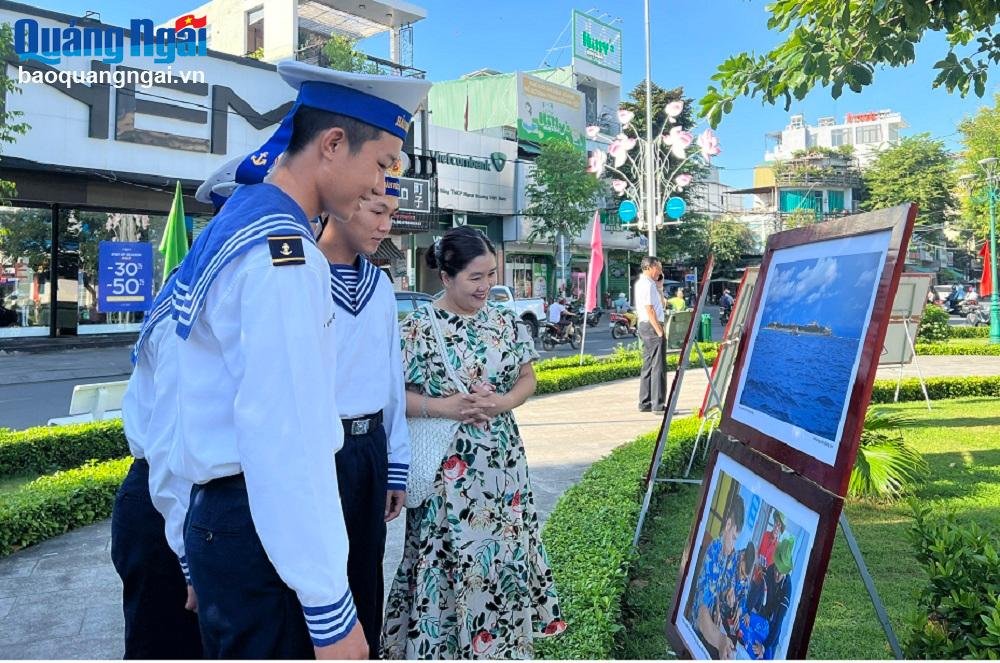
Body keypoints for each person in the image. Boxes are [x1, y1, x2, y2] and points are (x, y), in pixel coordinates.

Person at [161, 62, 430, 659]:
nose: (381, 186)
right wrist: (331, 611)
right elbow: (286, 435)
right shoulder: (285, 256)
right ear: (334, 144)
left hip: (229, 517)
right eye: (383, 164)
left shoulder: (243, 227)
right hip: (259, 523)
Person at [382, 226, 565, 659]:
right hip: (447, 470)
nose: (486, 287)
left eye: (491, 275)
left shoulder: (504, 321)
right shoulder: (415, 329)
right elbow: (392, 396)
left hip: (502, 466)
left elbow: (527, 378)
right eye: (476, 278)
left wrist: (500, 403)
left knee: (502, 557)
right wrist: (446, 407)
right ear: (446, 277)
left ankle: (501, 647)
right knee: (446, 557)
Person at [111, 153, 246, 659]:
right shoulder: (189, 301)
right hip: (168, 509)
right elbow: (171, 444)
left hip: (186, 508)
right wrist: (187, 556)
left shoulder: (212, 290)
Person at [314, 165, 410, 655]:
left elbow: (391, 379)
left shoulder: (380, 286)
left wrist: (395, 465)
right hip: (317, 448)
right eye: (377, 210)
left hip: (368, 448)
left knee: (366, 570)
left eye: (391, 214)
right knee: (317, 574)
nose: (386, 225)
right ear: (345, 202)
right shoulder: (299, 275)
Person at [692, 494, 744, 659]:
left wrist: (729, 593)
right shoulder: (713, 552)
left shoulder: (729, 556)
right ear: (728, 525)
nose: (734, 545)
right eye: (734, 539)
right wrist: (720, 640)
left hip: (714, 625)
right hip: (699, 633)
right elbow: (701, 611)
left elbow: (724, 589)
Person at [743, 537, 795, 659]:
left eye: (780, 572)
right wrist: (748, 611)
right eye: (776, 568)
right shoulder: (770, 569)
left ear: (786, 572)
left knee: (767, 655)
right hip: (763, 618)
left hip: (773, 629)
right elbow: (756, 590)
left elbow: (778, 622)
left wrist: (764, 646)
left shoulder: (787, 589)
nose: (776, 574)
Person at [635, 256, 666, 412]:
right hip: (652, 326)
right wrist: (659, 331)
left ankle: (645, 402)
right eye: (658, 267)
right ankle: (658, 405)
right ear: (649, 267)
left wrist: (660, 288)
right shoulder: (646, 285)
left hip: (646, 325)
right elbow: (650, 309)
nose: (660, 271)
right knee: (658, 365)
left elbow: (662, 304)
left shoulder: (650, 284)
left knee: (648, 364)